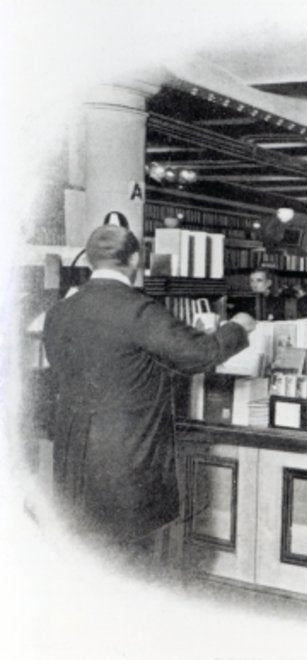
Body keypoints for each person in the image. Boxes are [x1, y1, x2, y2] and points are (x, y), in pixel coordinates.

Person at [42, 224, 255, 563]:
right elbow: (201, 354)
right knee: (132, 565)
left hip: (71, 464)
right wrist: (237, 327)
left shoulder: (59, 312)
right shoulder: (138, 310)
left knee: (82, 561)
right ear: (136, 259)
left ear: (92, 260)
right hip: (128, 463)